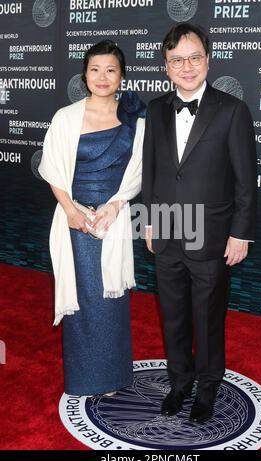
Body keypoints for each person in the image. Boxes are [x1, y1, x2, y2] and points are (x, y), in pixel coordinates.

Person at [142, 23, 257, 423]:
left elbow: (245, 179)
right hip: (168, 229)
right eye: (177, 60)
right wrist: (150, 222)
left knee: (208, 319)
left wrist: (240, 232)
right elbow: (152, 170)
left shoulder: (232, 110)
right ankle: (179, 383)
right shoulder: (156, 109)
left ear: (208, 60)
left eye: (194, 58)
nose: (186, 67)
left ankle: (207, 390)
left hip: (211, 235)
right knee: (172, 314)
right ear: (166, 66)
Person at [39, 40, 146, 396]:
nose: (102, 77)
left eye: (111, 70)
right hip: (77, 222)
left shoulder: (134, 119)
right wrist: (71, 211)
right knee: (82, 298)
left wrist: (115, 206)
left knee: (111, 297)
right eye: (95, 69)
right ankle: (85, 378)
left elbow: (139, 170)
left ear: (122, 76)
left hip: (113, 220)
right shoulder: (66, 118)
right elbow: (52, 168)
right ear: (85, 74)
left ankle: (113, 376)